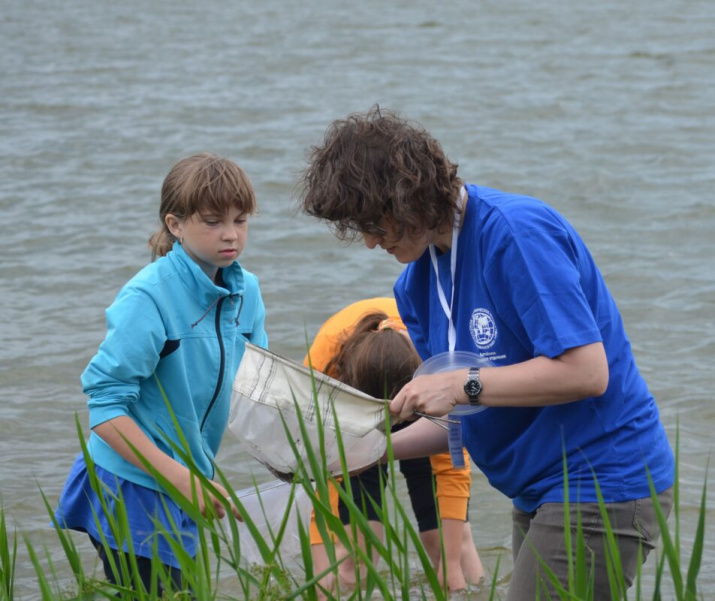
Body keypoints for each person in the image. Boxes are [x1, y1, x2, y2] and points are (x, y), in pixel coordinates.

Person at [299, 107, 675, 600]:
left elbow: (587, 372)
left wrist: (458, 383)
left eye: (374, 223)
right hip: (538, 489)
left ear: (407, 196)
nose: (369, 241)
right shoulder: (415, 283)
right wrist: (365, 451)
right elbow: (459, 421)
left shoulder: (515, 233)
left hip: (602, 478)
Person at [53, 152, 268, 595]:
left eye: (240, 220)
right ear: (175, 224)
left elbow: (255, 385)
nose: (231, 234)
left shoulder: (247, 291)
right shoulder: (147, 297)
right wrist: (179, 477)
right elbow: (104, 408)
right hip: (129, 484)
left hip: (186, 480)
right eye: (212, 221)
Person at [304, 298, 483, 596]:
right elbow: (324, 480)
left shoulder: (439, 365)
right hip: (354, 420)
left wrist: (450, 563)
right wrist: (324, 577)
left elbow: (451, 468)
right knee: (355, 557)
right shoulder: (324, 371)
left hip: (422, 387)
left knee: (452, 552)